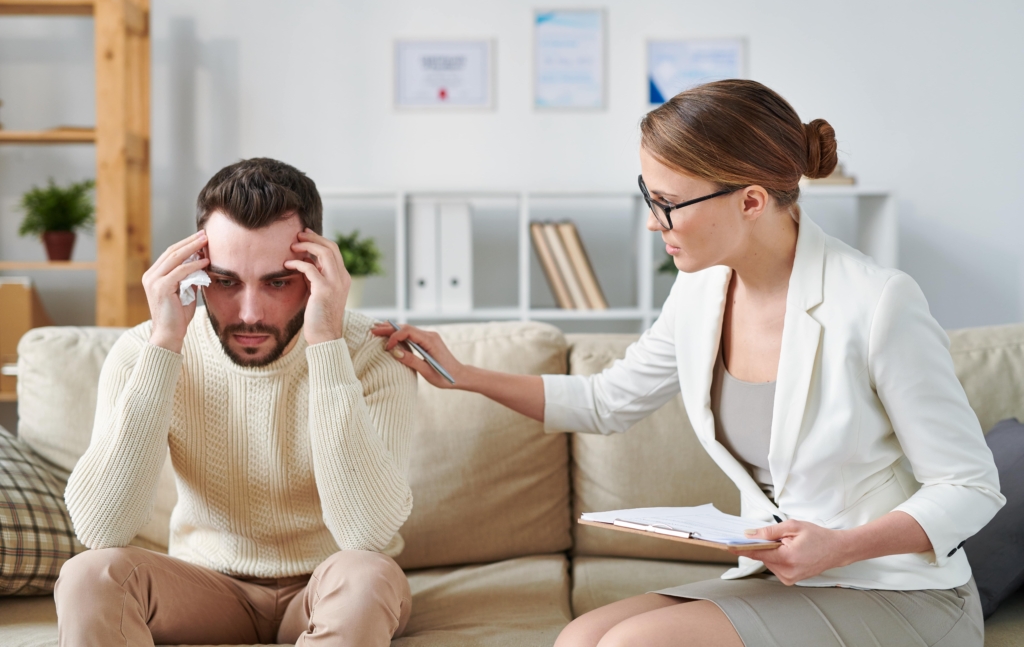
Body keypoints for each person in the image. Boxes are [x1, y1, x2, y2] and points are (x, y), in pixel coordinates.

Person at [373, 80, 1005, 647]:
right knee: (581, 638)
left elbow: (970, 486)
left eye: (669, 203)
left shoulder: (876, 301)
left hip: (896, 592)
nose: (654, 224)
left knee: (631, 645)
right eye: (648, 197)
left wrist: (838, 547)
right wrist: (463, 374)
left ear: (752, 202)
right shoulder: (702, 291)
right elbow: (606, 401)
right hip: (782, 582)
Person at [57, 158, 417, 647]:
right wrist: (165, 343)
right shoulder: (146, 350)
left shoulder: (373, 353)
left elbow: (367, 534)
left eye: (277, 282)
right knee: (87, 576)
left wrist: (327, 343)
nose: (249, 314)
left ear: (315, 272)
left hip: (331, 585)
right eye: (226, 282)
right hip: (204, 589)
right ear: (196, 271)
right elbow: (102, 527)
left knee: (368, 576)